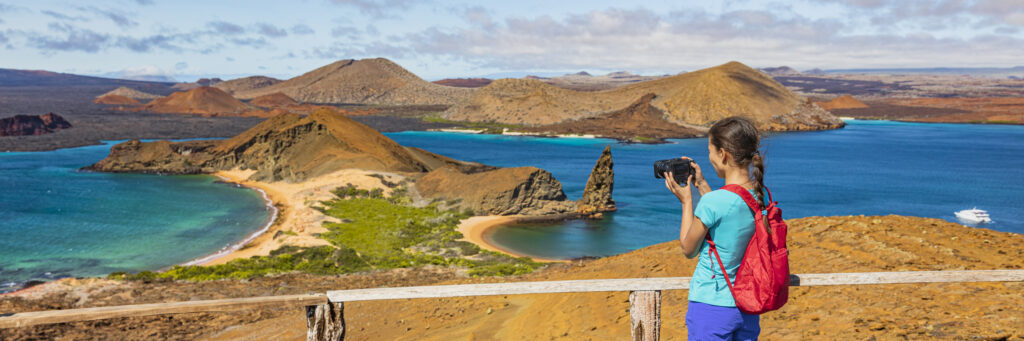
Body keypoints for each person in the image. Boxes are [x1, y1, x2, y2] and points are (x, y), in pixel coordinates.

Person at [662, 116, 766, 340]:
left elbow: (688, 248)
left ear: (722, 154)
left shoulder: (715, 202)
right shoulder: (759, 195)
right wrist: (701, 184)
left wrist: (686, 202)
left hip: (712, 305)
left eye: (710, 150)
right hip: (748, 306)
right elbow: (726, 214)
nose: (709, 157)